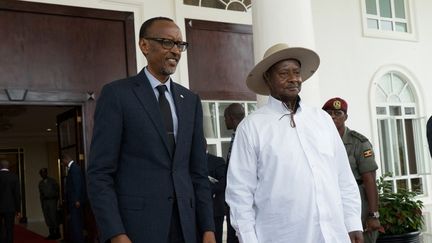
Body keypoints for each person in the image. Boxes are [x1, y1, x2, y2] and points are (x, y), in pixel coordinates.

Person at [87, 16, 216, 243]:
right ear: (144, 45)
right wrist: (115, 233)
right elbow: (100, 173)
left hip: (187, 227)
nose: (175, 50)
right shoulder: (117, 95)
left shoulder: (191, 100)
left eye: (180, 45)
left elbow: (198, 172)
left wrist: (208, 228)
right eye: (168, 42)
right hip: (137, 228)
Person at [225, 43, 363, 243]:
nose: (293, 79)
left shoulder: (322, 120)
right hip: (281, 236)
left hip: (333, 234)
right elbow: (240, 193)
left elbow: (343, 177)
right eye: (284, 73)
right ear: (267, 78)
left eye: (297, 72)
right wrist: (248, 238)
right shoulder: (251, 127)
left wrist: (352, 223)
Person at [322, 97, 380, 243]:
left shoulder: (359, 142)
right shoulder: (319, 141)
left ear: (345, 117)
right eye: (329, 113)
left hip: (357, 198)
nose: (333, 117)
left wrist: (373, 214)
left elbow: (369, 179)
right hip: (330, 198)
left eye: (338, 113)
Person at [223, 103, 245, 243]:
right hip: (231, 198)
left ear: (230, 118)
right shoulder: (236, 135)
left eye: (224, 118)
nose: (224, 121)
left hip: (242, 197)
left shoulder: (245, 136)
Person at [61, 153, 85, 243]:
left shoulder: (74, 168)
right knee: (74, 224)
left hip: (75, 202)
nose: (62, 164)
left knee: (76, 225)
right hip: (73, 202)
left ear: (65, 160)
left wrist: (77, 200)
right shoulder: (73, 168)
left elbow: (77, 185)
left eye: (62, 163)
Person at [206, 149, 226, 243]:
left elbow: (225, 182)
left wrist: (209, 189)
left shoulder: (217, 161)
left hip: (215, 210)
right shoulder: (188, 161)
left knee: (216, 239)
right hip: (195, 210)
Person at [0, 160, 21, 243]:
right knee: (9, 228)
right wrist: (18, 210)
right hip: (10, 207)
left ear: (0, 166)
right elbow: (17, 194)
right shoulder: (14, 177)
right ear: (8, 166)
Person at [38, 167, 61, 240]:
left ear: (46, 173)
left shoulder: (52, 181)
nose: (43, 174)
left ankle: (57, 233)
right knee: (47, 217)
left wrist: (57, 202)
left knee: (53, 217)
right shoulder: (40, 183)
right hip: (45, 202)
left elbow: (57, 191)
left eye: (44, 172)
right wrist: (42, 204)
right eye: (41, 173)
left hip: (52, 201)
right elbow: (41, 194)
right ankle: (51, 233)